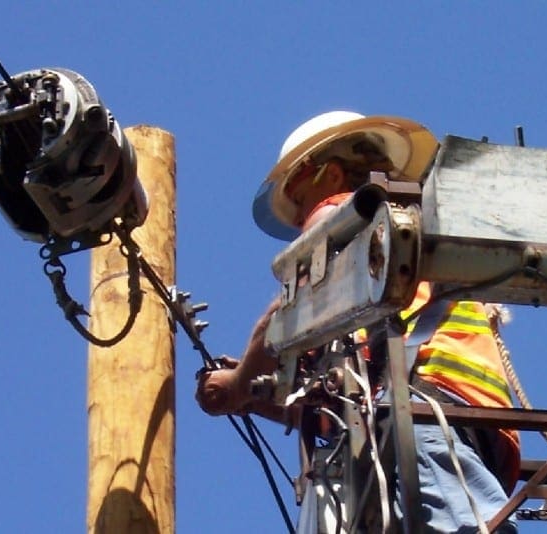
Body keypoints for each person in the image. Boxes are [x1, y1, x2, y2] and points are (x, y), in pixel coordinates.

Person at [196, 111, 520, 533]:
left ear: (330, 176)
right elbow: (334, 407)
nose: (298, 219)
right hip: (455, 425)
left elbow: (285, 315)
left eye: (297, 196)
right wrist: (254, 399)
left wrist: (240, 381)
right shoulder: (396, 242)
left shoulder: (352, 216)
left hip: (425, 412)